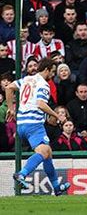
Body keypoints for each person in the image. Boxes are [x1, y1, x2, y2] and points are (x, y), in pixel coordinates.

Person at [5, 58, 70, 195]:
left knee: (48, 153)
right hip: (33, 124)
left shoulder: (27, 79)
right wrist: (57, 116)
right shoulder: (43, 85)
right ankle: (22, 174)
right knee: (43, 152)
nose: (52, 75)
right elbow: (41, 104)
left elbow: (9, 87)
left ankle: (57, 187)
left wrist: (11, 108)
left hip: (21, 123)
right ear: (46, 69)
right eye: (52, 72)